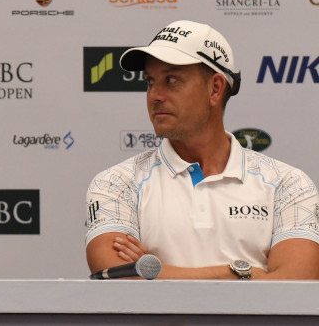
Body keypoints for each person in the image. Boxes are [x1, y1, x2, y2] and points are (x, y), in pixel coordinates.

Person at [85, 20, 319, 280]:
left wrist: (155, 273)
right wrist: (240, 273)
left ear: (215, 88)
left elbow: (298, 284)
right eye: (150, 81)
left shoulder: (289, 184)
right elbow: (117, 276)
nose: (154, 95)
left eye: (171, 80)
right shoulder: (115, 183)